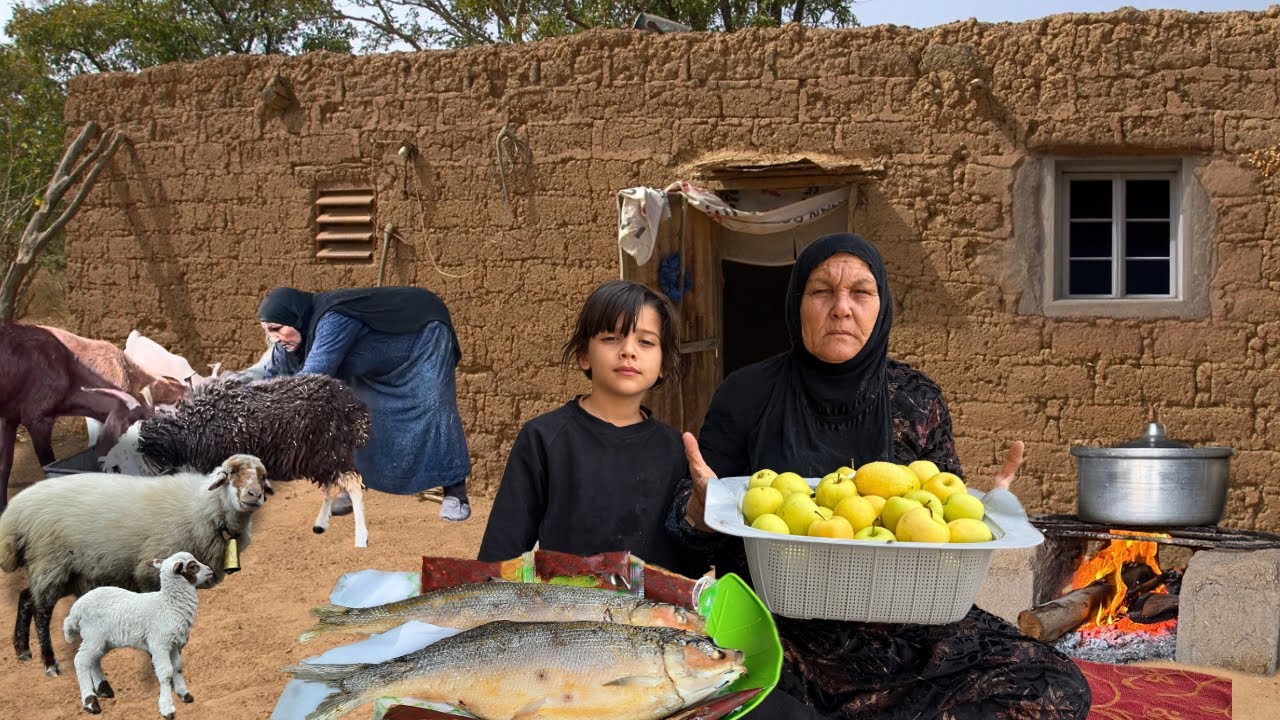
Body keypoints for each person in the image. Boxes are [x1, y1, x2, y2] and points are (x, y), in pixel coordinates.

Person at [671, 233, 1091, 719]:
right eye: (822, 291)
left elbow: (944, 544)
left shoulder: (916, 399)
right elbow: (689, 524)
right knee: (729, 694)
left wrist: (985, 511)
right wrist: (698, 512)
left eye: (860, 292)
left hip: (907, 628)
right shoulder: (747, 393)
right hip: (783, 625)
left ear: (881, 306)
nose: (841, 308)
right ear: (797, 305)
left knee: (1055, 687)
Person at [477, 280, 697, 575]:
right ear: (583, 355)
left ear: (663, 366)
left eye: (646, 341)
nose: (628, 351)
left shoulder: (674, 449)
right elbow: (501, 552)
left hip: (650, 616)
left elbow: (688, 561)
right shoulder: (544, 439)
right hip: (570, 615)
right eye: (611, 338)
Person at [256, 286, 472, 521]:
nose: (275, 339)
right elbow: (265, 373)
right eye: (269, 333)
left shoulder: (333, 319)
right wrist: (231, 390)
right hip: (377, 359)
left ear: (295, 317)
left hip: (424, 338)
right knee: (358, 409)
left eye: (277, 330)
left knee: (434, 405)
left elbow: (311, 380)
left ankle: (455, 492)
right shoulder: (291, 337)